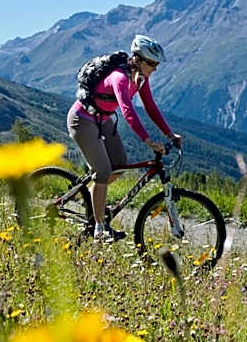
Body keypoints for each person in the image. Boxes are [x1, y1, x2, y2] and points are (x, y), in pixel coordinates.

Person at [67, 35, 182, 241]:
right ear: (138, 60)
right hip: (82, 120)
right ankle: (99, 228)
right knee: (103, 171)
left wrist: (169, 133)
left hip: (103, 120)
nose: (155, 68)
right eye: (152, 63)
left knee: (119, 165)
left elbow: (150, 107)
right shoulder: (120, 77)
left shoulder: (141, 79)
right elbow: (128, 111)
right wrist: (148, 141)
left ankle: (92, 198)